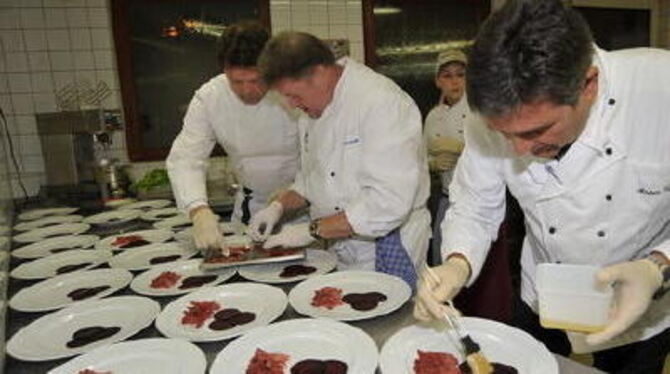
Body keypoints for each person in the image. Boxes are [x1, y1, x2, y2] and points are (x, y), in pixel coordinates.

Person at [415, 0, 670, 373]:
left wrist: (658, 266)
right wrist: (456, 265)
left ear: (588, 85)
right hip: (542, 293)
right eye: (505, 135)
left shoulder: (660, 91)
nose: (518, 150)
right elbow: (475, 205)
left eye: (535, 131)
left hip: (641, 303)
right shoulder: (485, 112)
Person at [249, 31, 431, 288]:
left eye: (294, 95)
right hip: (339, 247)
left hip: (387, 246)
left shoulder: (381, 102)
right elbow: (310, 181)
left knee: (392, 324)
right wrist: (277, 207)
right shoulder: (310, 112)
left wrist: (309, 231)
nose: (291, 105)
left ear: (320, 72)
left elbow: (387, 203)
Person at [166, 22, 300, 253]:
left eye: (257, 80)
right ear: (224, 70)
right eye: (237, 82)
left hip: (303, 207)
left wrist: (295, 190)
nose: (247, 90)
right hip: (253, 208)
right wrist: (198, 210)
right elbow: (186, 158)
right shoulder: (210, 98)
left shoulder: (294, 89)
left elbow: (323, 151)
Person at [424, 49, 468, 264]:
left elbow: (502, 156)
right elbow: (417, 159)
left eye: (461, 74)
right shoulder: (433, 116)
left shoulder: (481, 111)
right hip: (445, 198)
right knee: (441, 259)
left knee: (473, 267)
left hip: (475, 202)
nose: (455, 82)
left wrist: (461, 148)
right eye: (447, 76)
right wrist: (432, 164)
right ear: (437, 81)